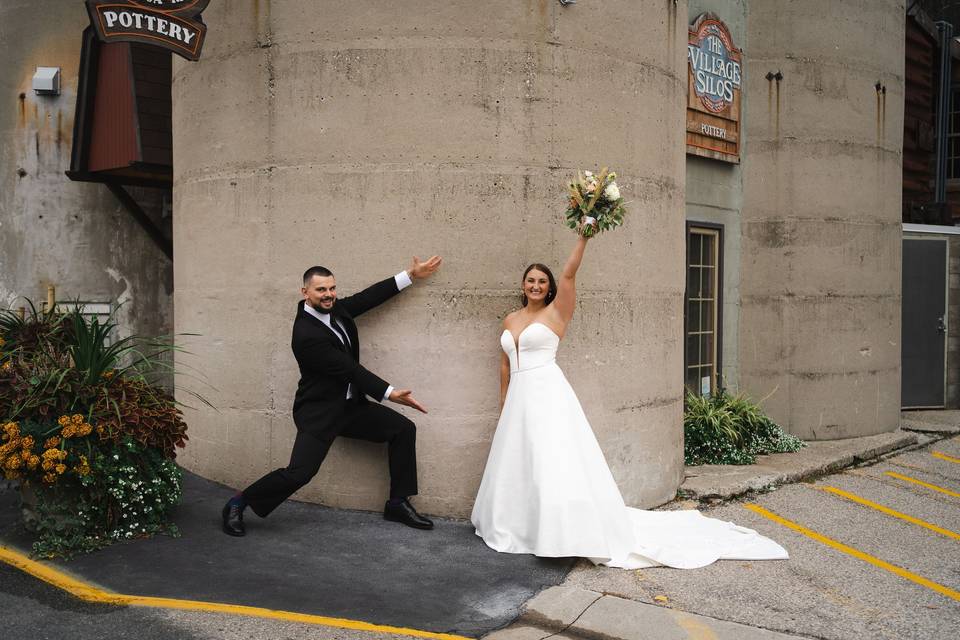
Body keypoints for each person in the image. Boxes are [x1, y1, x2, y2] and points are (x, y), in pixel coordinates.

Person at [470, 229, 787, 569]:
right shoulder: (510, 320)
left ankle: (561, 533)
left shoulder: (556, 314)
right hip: (518, 398)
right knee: (519, 462)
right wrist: (504, 404)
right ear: (523, 285)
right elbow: (504, 365)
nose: (536, 285)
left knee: (552, 459)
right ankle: (520, 525)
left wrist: (584, 238)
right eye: (530, 280)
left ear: (549, 289)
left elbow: (569, 274)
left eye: (541, 282)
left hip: (547, 394)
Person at [222, 256, 442, 537]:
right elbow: (348, 369)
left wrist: (410, 275)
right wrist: (389, 393)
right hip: (320, 413)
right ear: (305, 293)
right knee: (299, 473)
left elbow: (367, 298)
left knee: (403, 429)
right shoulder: (305, 334)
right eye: (321, 290)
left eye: (332, 288)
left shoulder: (334, 309)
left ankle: (397, 503)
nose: (329, 295)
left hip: (350, 407)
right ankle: (238, 503)